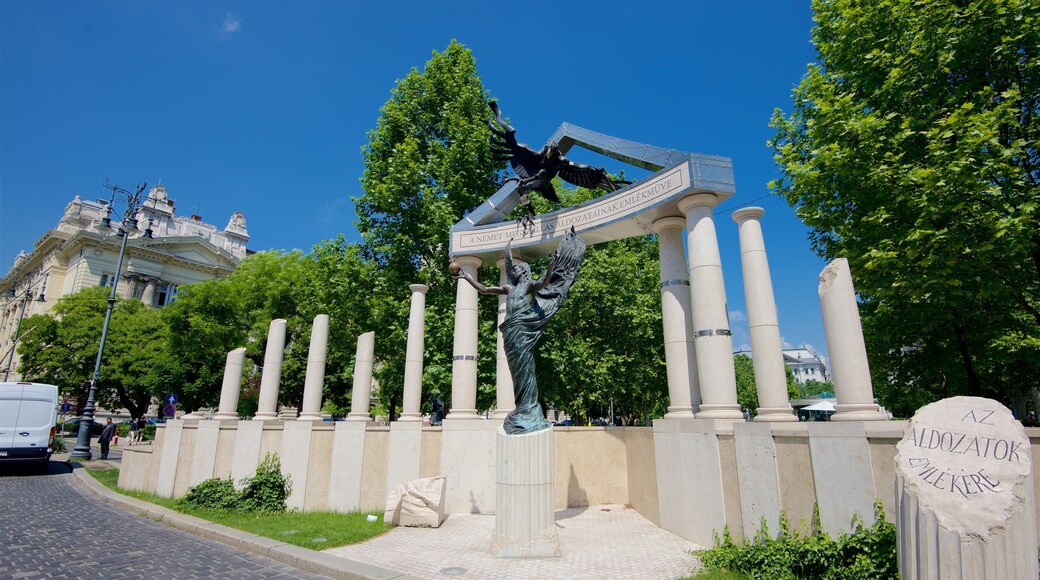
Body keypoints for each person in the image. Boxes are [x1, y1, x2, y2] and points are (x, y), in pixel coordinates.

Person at [453, 227, 586, 434]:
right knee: (516, 371)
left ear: (524, 271)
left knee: (525, 367)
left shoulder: (529, 285)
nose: (513, 271)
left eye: (516, 269)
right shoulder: (509, 289)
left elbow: (543, 283)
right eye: (512, 270)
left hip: (524, 327)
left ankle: (529, 409)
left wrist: (550, 268)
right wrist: (464, 276)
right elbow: (485, 289)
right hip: (510, 331)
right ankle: (523, 408)